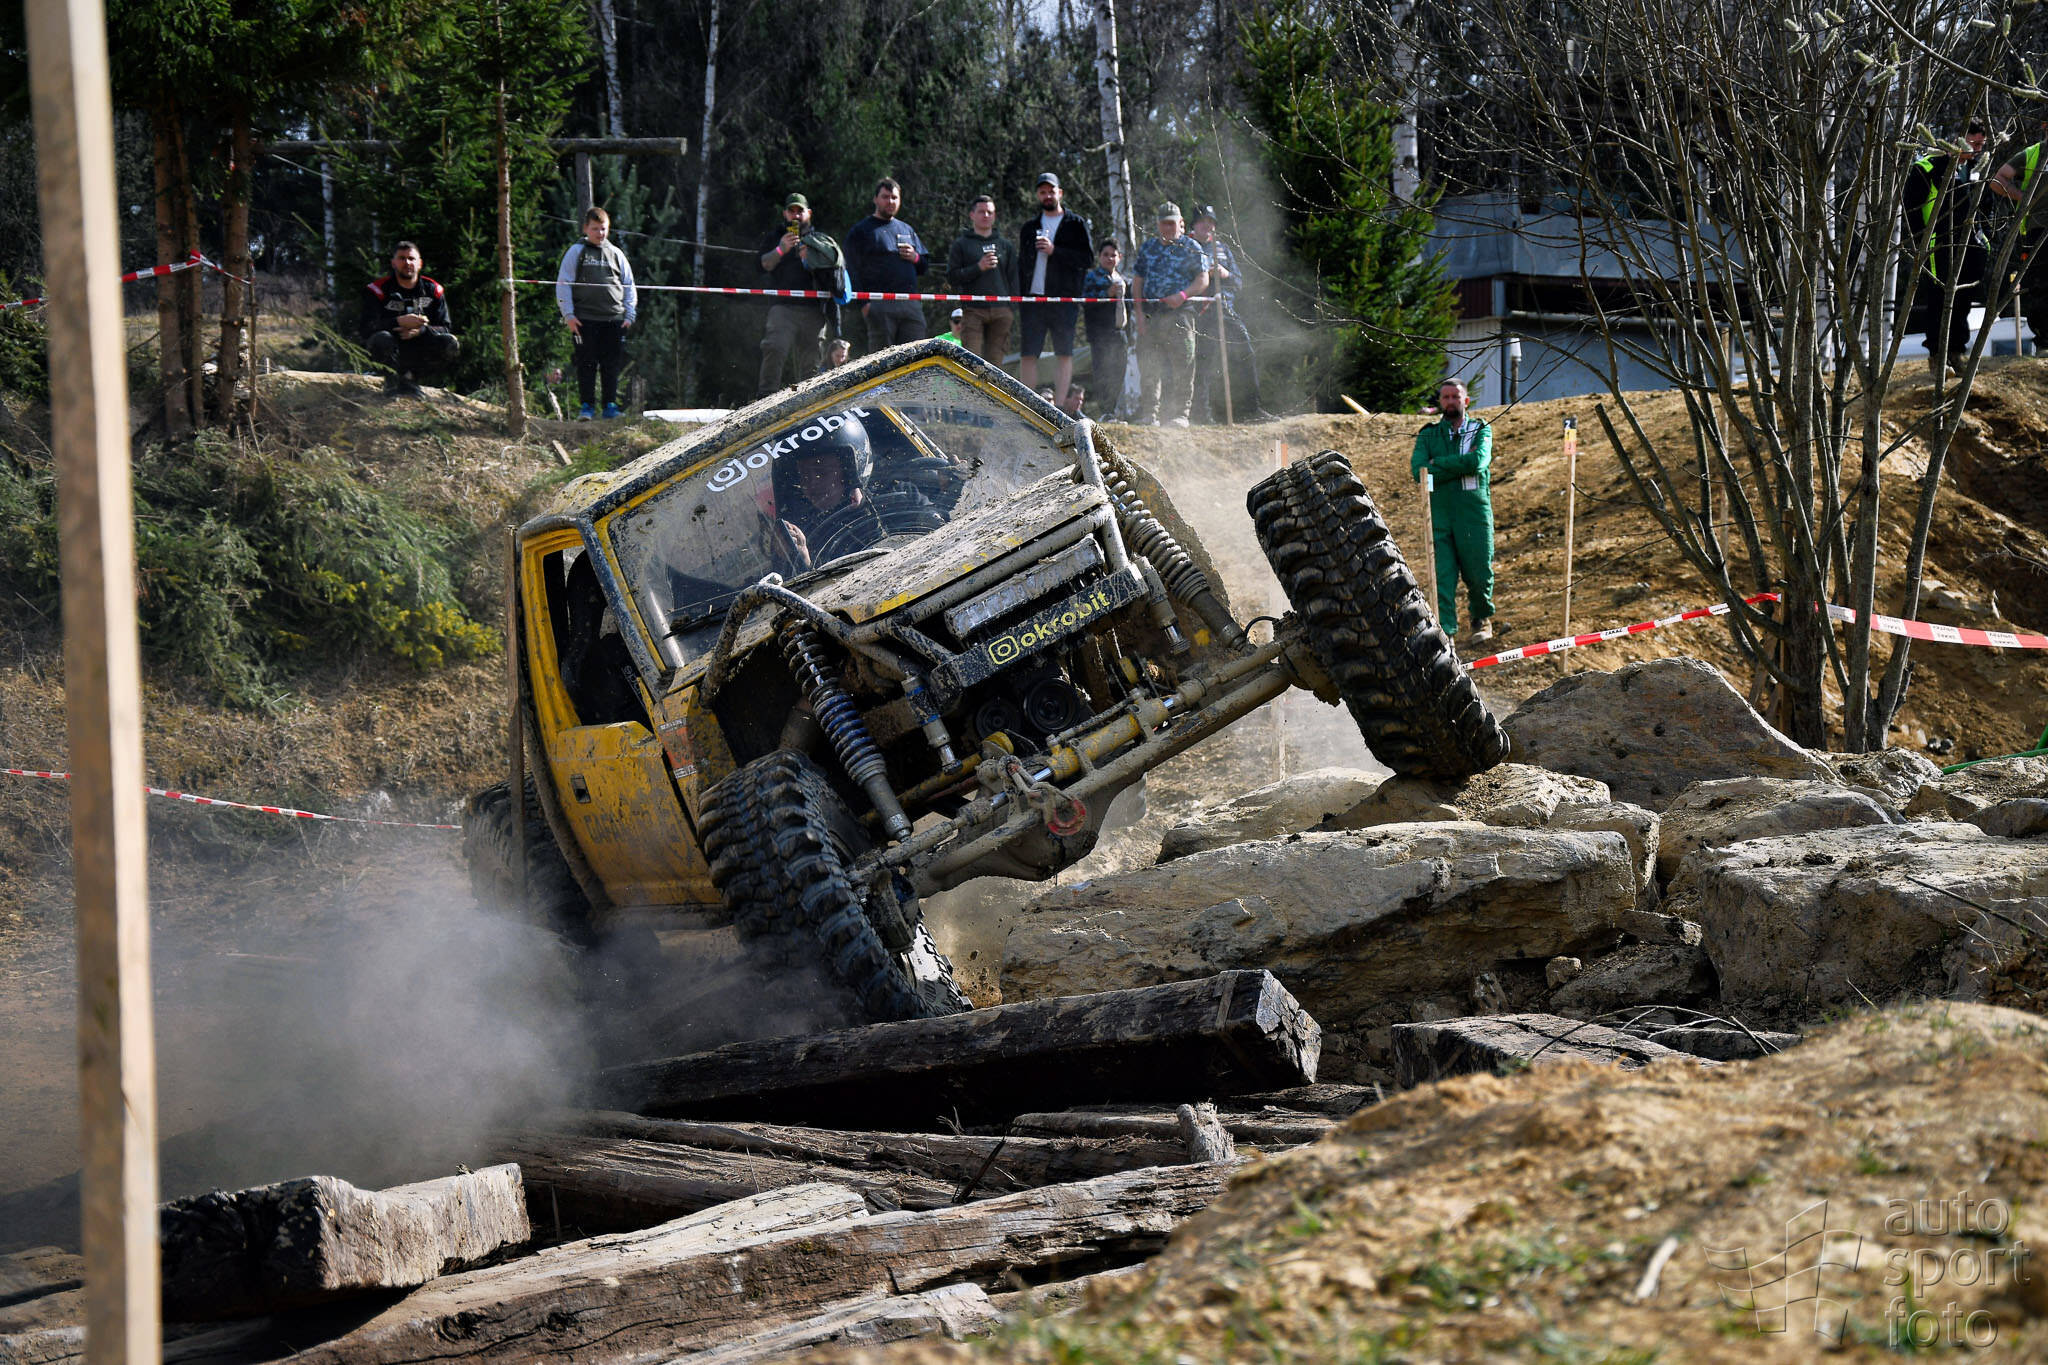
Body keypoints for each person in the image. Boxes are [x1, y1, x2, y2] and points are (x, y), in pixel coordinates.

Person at [1409, 379, 1495, 642]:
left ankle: (1481, 618)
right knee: (1442, 576)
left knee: (1479, 572)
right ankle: (1446, 631)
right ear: (1440, 402)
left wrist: (1438, 463)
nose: (1450, 401)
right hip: (1439, 513)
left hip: (1473, 513)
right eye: (1445, 397)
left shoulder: (1480, 429)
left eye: (1455, 397)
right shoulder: (1428, 435)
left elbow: (1477, 462)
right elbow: (1419, 471)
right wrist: (1458, 466)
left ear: (1465, 401)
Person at [1903, 124, 1991, 377]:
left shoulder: (1976, 168)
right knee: (1938, 300)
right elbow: (1911, 208)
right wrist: (1921, 241)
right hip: (1939, 245)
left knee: (1963, 300)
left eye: (1982, 145)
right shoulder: (1928, 167)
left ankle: (1957, 353)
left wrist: (1984, 236)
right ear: (1959, 139)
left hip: (1970, 246)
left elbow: (1987, 204)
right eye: (1974, 144)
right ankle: (1937, 357)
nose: (1977, 150)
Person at [1129, 202, 1211, 427]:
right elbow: (1137, 281)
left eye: (1172, 223)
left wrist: (1182, 295)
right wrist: (1138, 314)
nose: (1168, 228)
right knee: (1149, 365)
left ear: (1181, 223)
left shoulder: (1192, 247)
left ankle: (1180, 415)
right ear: (1158, 225)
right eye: (1164, 223)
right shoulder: (1148, 248)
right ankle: (1149, 414)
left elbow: (1203, 279)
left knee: (1183, 364)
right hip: (1150, 314)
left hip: (1180, 313)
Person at [1016, 173, 1093, 404]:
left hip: (1064, 299)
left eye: (1051, 191)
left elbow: (1087, 259)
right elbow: (1021, 264)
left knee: (1064, 353)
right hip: (1032, 299)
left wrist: (1054, 251)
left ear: (1060, 193)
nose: (1047, 195)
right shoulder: (1029, 227)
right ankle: (1028, 405)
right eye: (1043, 192)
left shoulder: (1076, 224)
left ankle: (1058, 407)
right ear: (1038, 195)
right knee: (1028, 353)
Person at [555, 207, 637, 419]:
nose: (600, 233)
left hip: (614, 320)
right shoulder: (576, 251)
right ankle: (587, 407)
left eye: (603, 229)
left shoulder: (616, 253)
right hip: (584, 320)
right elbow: (563, 284)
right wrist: (568, 315)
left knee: (611, 364)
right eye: (595, 229)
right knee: (586, 363)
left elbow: (629, 285)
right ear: (585, 228)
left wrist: (629, 315)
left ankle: (610, 406)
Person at [1188, 206, 1263, 420]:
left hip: (1225, 310)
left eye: (1211, 221)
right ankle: (1202, 415)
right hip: (1198, 311)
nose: (1207, 225)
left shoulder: (1222, 248)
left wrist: (1225, 273)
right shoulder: (1186, 246)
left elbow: (1238, 282)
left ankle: (1253, 409)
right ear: (1194, 224)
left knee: (1245, 351)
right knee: (1201, 361)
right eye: (1202, 221)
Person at [757, 192, 832, 396]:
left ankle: (810, 401)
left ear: (809, 213)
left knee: (812, 361)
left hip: (814, 309)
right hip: (783, 307)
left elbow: (835, 271)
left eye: (800, 211)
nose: (796, 216)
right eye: (792, 211)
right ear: (785, 213)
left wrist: (812, 258)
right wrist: (781, 249)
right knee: (774, 348)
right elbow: (763, 265)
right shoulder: (775, 237)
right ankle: (764, 400)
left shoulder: (819, 239)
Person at [843, 178, 930, 352]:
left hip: (910, 303)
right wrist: (864, 304)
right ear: (875, 199)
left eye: (894, 197)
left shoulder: (906, 229)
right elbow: (851, 269)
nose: (890, 201)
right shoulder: (861, 231)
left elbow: (924, 266)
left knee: (917, 356)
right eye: (885, 197)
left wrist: (915, 257)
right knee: (882, 359)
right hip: (879, 304)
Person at [361, 241, 459, 394]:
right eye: (402, 258)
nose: (407, 263)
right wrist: (398, 322)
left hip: (419, 349)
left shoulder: (433, 290)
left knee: (450, 343)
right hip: (390, 346)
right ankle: (391, 381)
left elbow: (445, 327)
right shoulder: (377, 290)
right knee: (381, 338)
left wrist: (421, 331)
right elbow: (366, 328)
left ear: (420, 263)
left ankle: (411, 379)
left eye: (411, 258)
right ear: (393, 263)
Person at [1991, 115, 2048, 349]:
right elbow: (1997, 180)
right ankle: (2044, 343)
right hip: (2038, 230)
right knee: (2042, 287)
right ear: (2045, 126)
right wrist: (2024, 198)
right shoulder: (2032, 154)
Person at [946, 194, 1016, 363]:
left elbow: (1014, 279)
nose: (986, 215)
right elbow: (952, 277)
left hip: (1001, 310)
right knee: (971, 361)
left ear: (995, 215)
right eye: (981, 212)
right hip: (973, 310)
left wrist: (1011, 309)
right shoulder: (961, 244)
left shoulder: (1005, 245)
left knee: (996, 364)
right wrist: (978, 267)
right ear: (972, 215)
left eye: (989, 212)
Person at [1081, 239, 1129, 419]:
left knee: (1119, 371)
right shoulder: (1091, 277)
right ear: (1099, 257)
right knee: (1102, 371)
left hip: (1120, 333)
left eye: (1113, 255)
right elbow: (1085, 301)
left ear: (1119, 257)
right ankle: (1104, 411)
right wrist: (1106, 294)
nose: (1109, 258)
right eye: (1105, 255)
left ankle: (1112, 410)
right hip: (1099, 333)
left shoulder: (1123, 279)